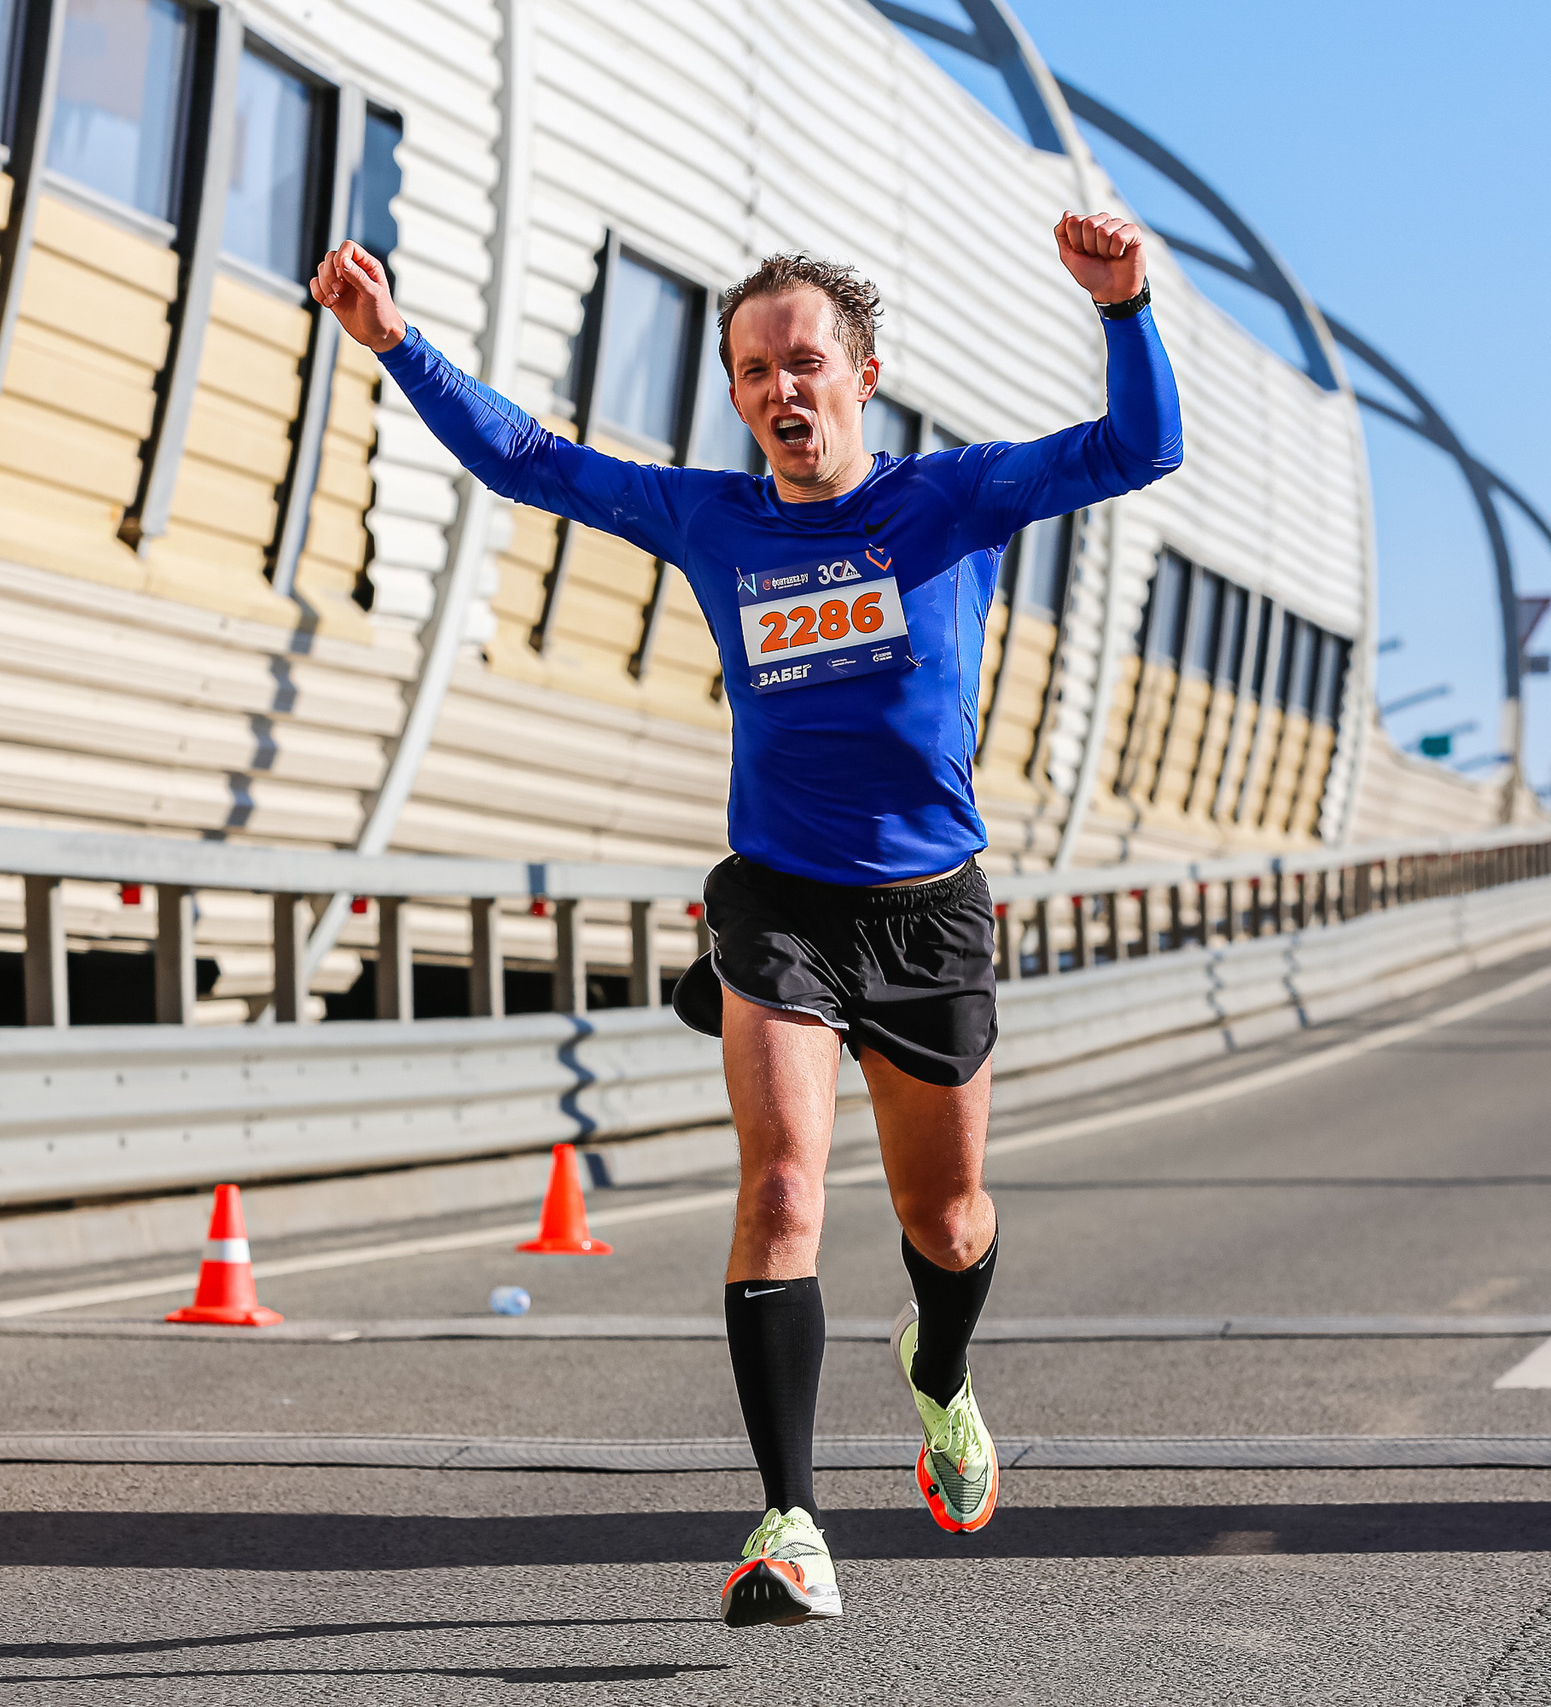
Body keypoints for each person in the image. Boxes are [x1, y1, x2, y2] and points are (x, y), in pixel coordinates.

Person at [314, 215, 1181, 1627]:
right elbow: (528, 460)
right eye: (756, 370)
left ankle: (941, 1372)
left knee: (946, 1219)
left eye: (806, 363)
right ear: (734, 392)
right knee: (781, 1191)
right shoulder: (712, 519)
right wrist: (397, 343)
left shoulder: (951, 499)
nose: (783, 389)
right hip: (778, 901)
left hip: (927, 914)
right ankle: (790, 1521)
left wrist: (1126, 306)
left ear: (864, 377)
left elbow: (1141, 450)